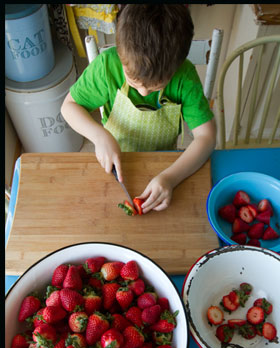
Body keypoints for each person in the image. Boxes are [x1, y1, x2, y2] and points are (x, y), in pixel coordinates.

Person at [61, 5, 216, 214]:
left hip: (165, 163)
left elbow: (206, 137)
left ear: (176, 68)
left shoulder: (185, 77)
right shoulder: (107, 66)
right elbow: (69, 107)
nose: (143, 92)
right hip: (116, 162)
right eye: (134, 83)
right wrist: (99, 137)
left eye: (156, 86)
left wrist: (170, 178)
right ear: (120, 52)